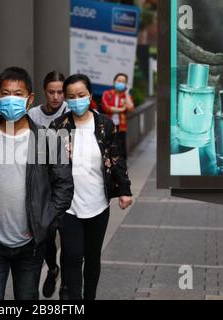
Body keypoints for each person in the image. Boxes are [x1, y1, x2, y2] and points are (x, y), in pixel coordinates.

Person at [0, 66, 74, 300]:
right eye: (6, 93)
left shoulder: (48, 140)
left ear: (29, 99)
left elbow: (64, 186)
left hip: (30, 244)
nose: (11, 99)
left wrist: (44, 222)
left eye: (18, 94)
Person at [50, 74, 133, 300]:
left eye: (81, 95)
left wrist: (125, 190)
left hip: (98, 204)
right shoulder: (58, 126)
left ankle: (90, 297)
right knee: (73, 256)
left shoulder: (104, 125)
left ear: (89, 96)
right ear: (66, 100)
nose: (77, 100)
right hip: (69, 207)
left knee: (92, 257)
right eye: (71, 97)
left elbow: (116, 158)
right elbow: (45, 166)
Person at [28, 71, 68, 299]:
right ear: (44, 91)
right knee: (48, 234)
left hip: (68, 182)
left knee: (69, 237)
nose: (55, 97)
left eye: (60, 92)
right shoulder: (33, 115)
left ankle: (66, 285)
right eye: (51, 92)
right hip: (43, 182)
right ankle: (53, 269)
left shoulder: (71, 113)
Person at [101, 73, 135, 160]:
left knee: (121, 148)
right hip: (108, 125)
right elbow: (106, 107)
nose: (121, 83)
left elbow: (131, 108)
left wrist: (127, 93)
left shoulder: (126, 96)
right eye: (119, 81)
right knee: (108, 147)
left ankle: (122, 169)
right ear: (114, 82)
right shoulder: (107, 93)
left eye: (123, 82)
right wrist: (121, 109)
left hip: (121, 126)